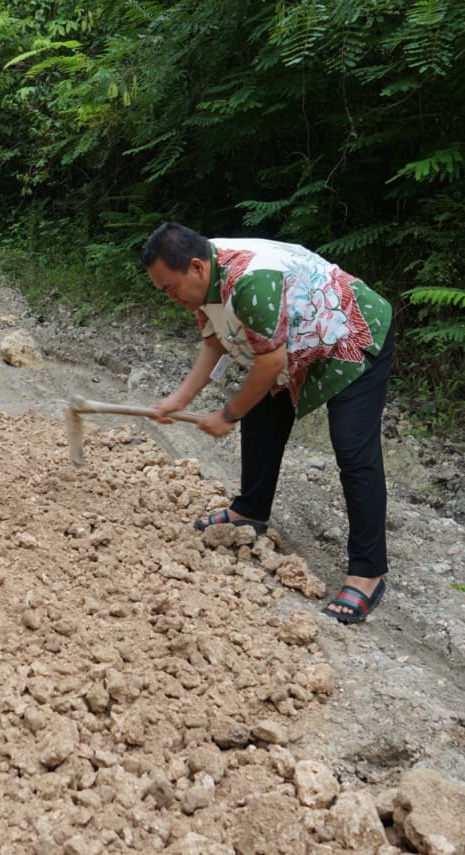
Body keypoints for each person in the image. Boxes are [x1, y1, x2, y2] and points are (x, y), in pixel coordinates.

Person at [142, 222, 395, 624]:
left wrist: (228, 414)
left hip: (350, 332)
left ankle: (367, 572)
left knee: (352, 449)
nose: (170, 297)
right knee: (261, 413)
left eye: (170, 288)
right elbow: (215, 341)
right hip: (295, 342)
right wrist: (179, 399)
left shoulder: (248, 283)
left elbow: (271, 363)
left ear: (195, 267)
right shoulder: (203, 278)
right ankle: (251, 511)